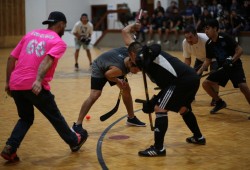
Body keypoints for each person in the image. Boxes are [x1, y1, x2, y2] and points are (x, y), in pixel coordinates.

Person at [1, 11, 88, 162]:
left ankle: (10, 148)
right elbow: (48, 59)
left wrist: (8, 83)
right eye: (64, 26)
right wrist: (38, 80)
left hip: (16, 84)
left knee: (25, 118)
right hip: (34, 85)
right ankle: (74, 141)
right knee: (55, 116)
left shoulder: (30, 34)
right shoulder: (58, 42)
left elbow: (11, 58)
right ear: (61, 25)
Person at [122, 23, 206, 157]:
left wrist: (134, 26)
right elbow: (167, 86)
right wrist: (153, 100)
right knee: (183, 108)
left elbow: (155, 47)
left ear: (132, 54)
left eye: (131, 60)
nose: (133, 64)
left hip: (181, 81)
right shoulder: (144, 58)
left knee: (160, 108)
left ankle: (158, 148)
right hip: (188, 80)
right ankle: (198, 137)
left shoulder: (145, 54)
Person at [71, 46, 146, 136]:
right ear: (130, 64)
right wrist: (118, 80)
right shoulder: (119, 69)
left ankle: (131, 118)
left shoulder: (130, 55)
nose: (137, 72)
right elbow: (108, 75)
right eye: (136, 70)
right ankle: (77, 125)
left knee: (126, 89)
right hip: (100, 67)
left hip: (112, 66)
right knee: (95, 94)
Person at [200, 19, 250, 114]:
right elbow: (207, 60)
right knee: (205, 84)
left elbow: (239, 50)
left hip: (234, 66)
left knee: (243, 86)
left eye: (208, 28)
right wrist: (198, 73)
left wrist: (231, 60)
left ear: (215, 28)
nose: (206, 31)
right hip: (222, 67)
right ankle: (219, 102)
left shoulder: (225, 37)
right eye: (204, 29)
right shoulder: (208, 44)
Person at [183, 25, 219, 106]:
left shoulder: (206, 40)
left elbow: (208, 60)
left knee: (214, 77)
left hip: (214, 58)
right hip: (200, 58)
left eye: (191, 37)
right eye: (187, 38)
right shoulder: (185, 43)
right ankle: (191, 96)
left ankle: (215, 98)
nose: (189, 40)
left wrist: (199, 71)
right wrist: (184, 72)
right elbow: (187, 59)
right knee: (193, 78)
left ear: (196, 34)